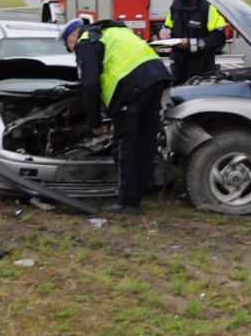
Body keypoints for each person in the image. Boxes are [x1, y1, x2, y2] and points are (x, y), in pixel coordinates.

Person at [59, 18, 171, 215]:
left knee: (124, 145)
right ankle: (139, 191)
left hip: (132, 85)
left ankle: (127, 202)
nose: (74, 51)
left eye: (70, 47)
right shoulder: (111, 31)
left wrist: (94, 122)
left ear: (72, 37)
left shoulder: (86, 41)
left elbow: (91, 85)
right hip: (156, 76)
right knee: (144, 141)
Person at [158, 0, 227, 84]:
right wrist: (164, 32)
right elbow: (168, 26)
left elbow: (219, 39)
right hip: (179, 68)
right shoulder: (176, 4)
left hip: (201, 70)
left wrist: (191, 44)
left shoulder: (208, 5)